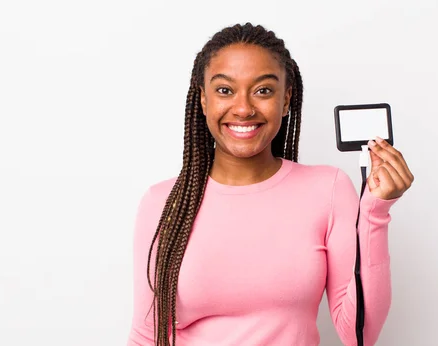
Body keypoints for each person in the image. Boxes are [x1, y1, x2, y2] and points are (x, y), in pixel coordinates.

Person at [127, 23, 414, 346]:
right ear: (203, 100)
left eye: (263, 90)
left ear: (286, 98)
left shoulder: (327, 189)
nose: (243, 108)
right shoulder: (163, 202)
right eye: (224, 90)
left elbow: (359, 332)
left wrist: (375, 211)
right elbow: (146, 334)